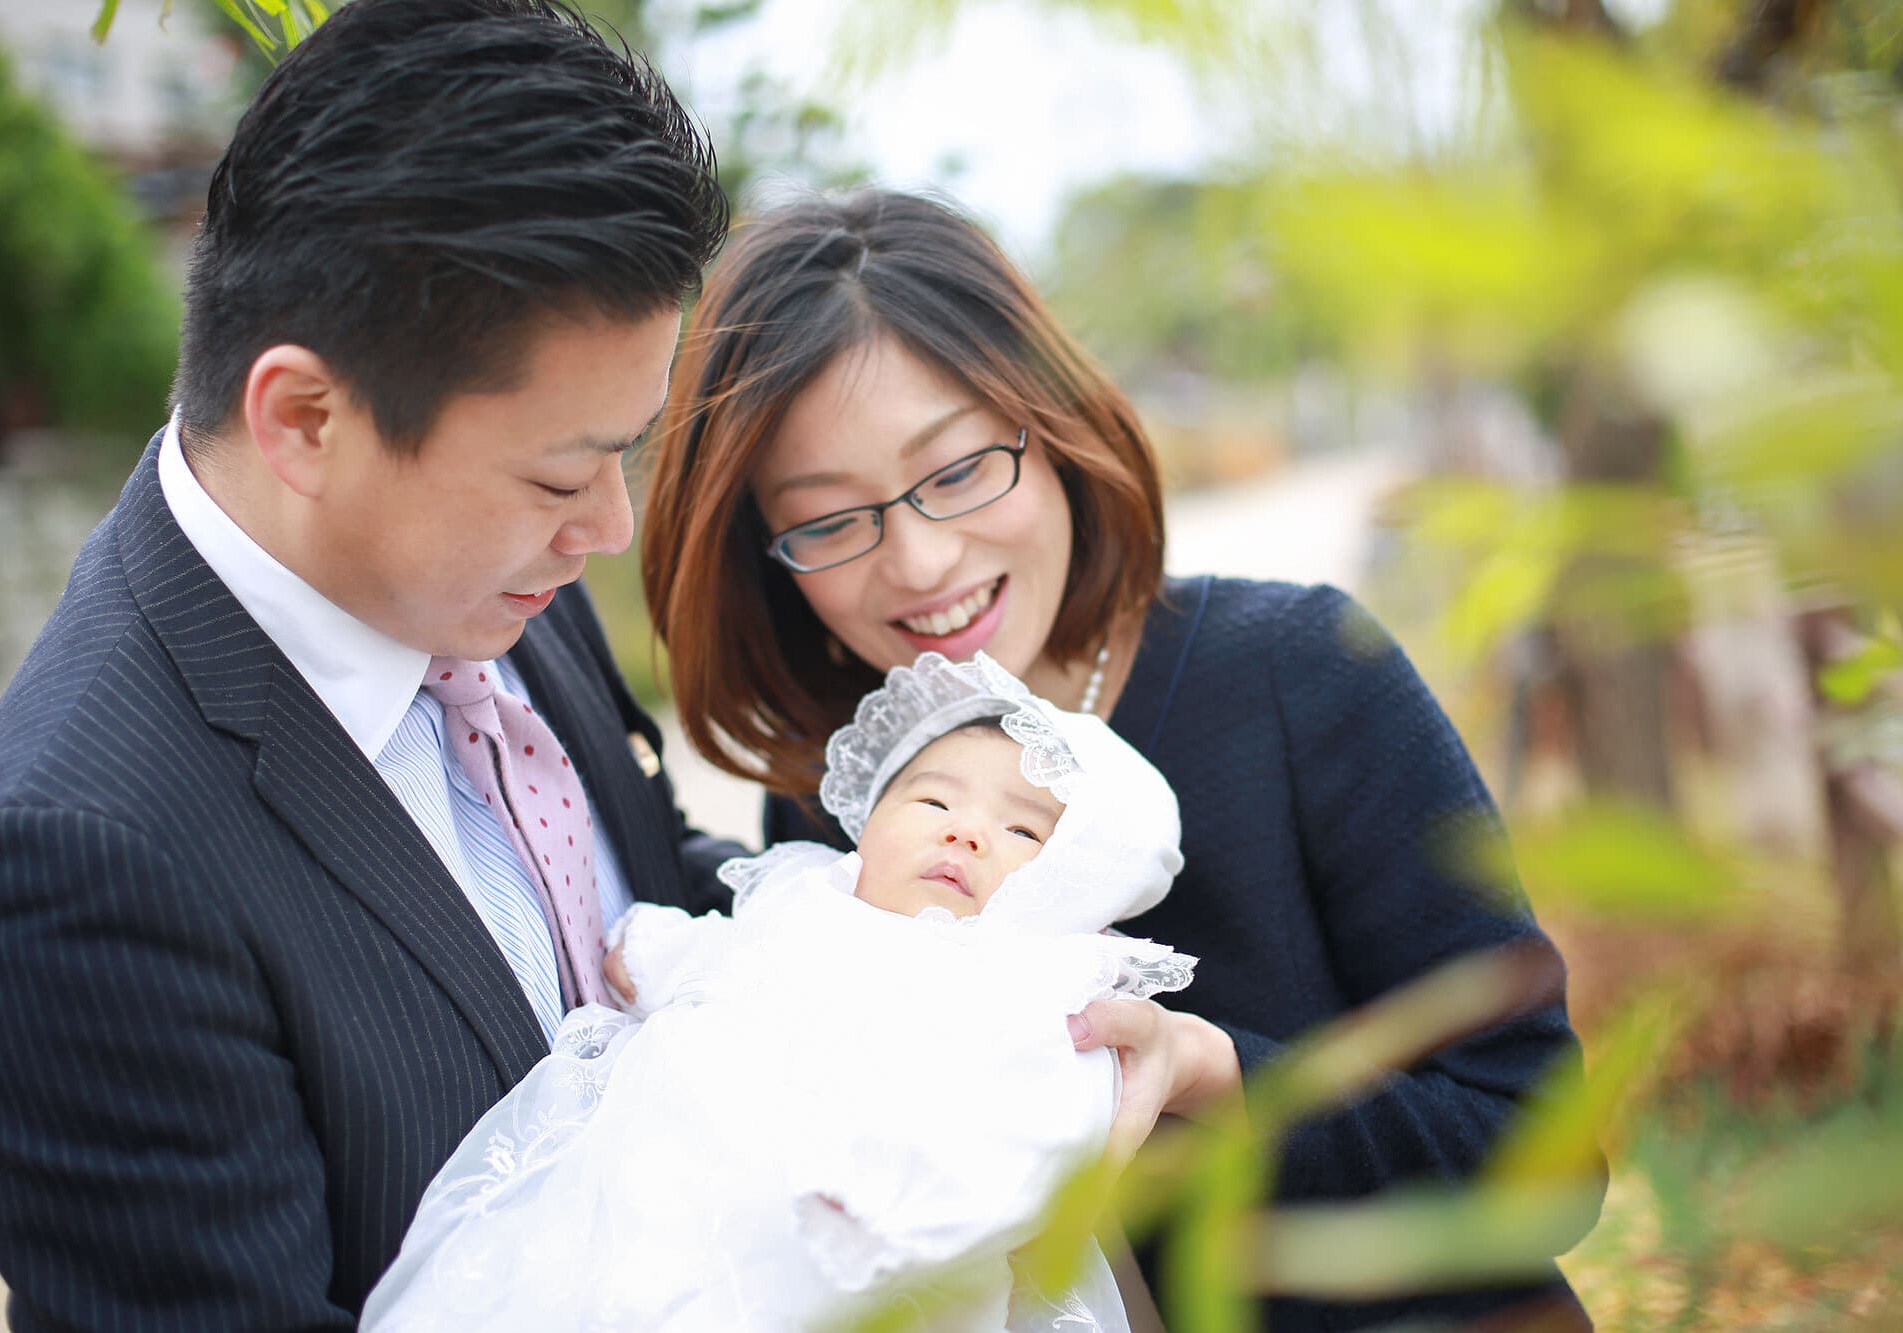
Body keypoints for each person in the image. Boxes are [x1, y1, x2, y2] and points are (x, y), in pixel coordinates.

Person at [639, 188, 1605, 1329]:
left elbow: (1540, 1158)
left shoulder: (1302, 672)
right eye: (828, 519)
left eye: (954, 471)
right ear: (767, 555)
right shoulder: (833, 795)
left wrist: (1212, 1071)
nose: (918, 560)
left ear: (1048, 427)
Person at [0, 2, 732, 1327]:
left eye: (620, 456)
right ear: (303, 418)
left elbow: (637, 876)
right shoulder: (80, 869)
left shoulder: (485, 569)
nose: (609, 530)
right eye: (562, 474)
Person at [361, 651, 1195, 1332]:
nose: (963, 828)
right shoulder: (807, 889)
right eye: (932, 797)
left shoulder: (1036, 988)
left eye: (1022, 830)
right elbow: (726, 948)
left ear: (1078, 883)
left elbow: (1038, 1128)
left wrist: (900, 1202)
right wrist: (650, 953)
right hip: (672, 1162)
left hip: (870, 1237)